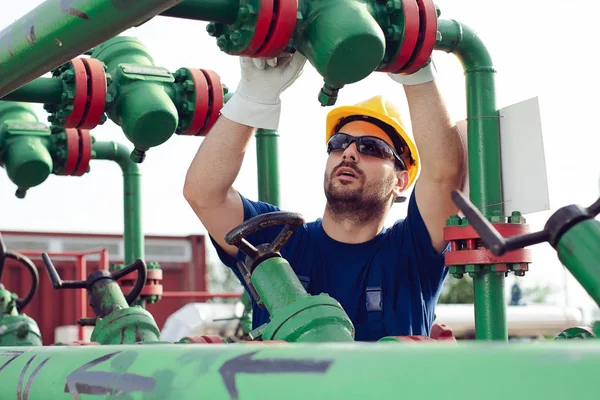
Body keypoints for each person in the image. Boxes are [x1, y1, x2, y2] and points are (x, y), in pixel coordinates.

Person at [183, 51, 465, 341]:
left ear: (401, 181)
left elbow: (444, 174)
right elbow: (204, 194)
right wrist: (252, 98)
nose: (350, 153)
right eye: (339, 143)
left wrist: (414, 65)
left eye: (371, 147)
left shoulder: (412, 253)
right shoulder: (280, 244)